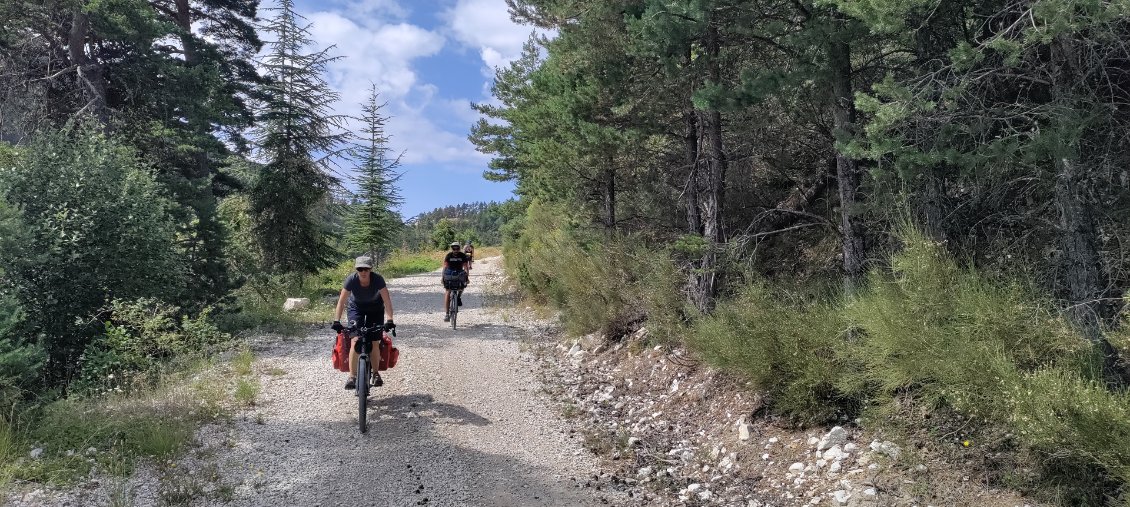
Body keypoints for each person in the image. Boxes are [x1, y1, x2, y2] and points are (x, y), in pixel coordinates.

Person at [332, 256, 394, 390]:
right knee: (355, 340)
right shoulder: (351, 280)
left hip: (375, 309)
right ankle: (352, 377)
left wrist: (390, 320)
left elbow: (387, 301)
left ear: (371, 269)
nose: (363, 272)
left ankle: (376, 374)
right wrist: (336, 320)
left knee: (374, 341)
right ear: (356, 270)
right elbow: (341, 302)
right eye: (360, 269)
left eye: (366, 269)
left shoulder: (378, 279)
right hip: (356, 309)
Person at [442, 242, 469, 322]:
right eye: (454, 248)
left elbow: (465, 267)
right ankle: (447, 314)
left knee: (463, 286)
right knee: (447, 292)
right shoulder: (448, 256)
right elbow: (445, 267)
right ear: (452, 248)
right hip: (449, 273)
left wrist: (467, 277)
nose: (456, 250)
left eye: (457, 248)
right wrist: (442, 277)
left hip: (459, 273)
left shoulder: (463, 255)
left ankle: (458, 297)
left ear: (459, 248)